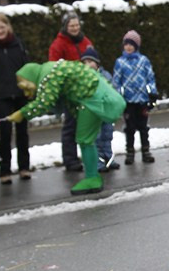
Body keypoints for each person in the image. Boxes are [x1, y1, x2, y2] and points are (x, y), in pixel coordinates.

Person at [7, 60, 125, 195]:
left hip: (92, 100)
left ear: (31, 76)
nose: (27, 94)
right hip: (94, 98)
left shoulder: (48, 75)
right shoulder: (52, 69)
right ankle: (92, 177)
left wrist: (22, 113)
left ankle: (92, 178)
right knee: (86, 140)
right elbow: (68, 97)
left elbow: (44, 102)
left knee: (85, 140)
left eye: (26, 87)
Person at [0, 13, 31, 183]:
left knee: (22, 132)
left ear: (8, 27)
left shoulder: (18, 44)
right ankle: (5, 171)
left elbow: (28, 68)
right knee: (4, 133)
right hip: (0, 96)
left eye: (2, 27)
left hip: (19, 94)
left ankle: (24, 168)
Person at [49, 10, 93, 172]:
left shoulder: (85, 41)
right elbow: (54, 67)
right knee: (70, 126)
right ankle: (70, 159)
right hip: (70, 91)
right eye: (71, 25)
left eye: (76, 25)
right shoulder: (58, 44)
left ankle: (90, 156)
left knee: (87, 125)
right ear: (65, 27)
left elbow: (93, 58)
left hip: (86, 89)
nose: (74, 28)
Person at [112, 30, 158, 164]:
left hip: (142, 99)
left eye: (131, 44)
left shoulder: (144, 61)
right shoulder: (120, 62)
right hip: (128, 101)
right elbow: (116, 81)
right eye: (126, 44)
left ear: (136, 46)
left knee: (143, 127)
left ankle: (146, 150)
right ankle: (130, 152)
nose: (128, 47)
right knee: (130, 127)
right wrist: (119, 97)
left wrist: (152, 93)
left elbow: (150, 78)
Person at [80, 46, 120, 171]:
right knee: (96, 138)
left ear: (97, 63)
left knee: (107, 135)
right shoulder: (83, 78)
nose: (88, 65)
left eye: (90, 62)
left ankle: (108, 157)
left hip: (106, 111)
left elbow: (113, 88)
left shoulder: (105, 75)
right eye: (85, 62)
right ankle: (97, 161)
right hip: (93, 113)